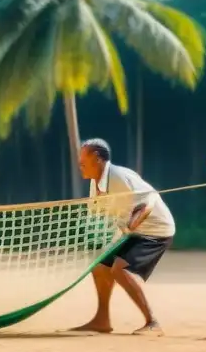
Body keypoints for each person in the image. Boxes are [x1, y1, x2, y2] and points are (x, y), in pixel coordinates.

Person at [74, 138, 175, 335]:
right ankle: (102, 320)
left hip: (156, 230)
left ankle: (152, 323)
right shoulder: (96, 183)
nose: (80, 165)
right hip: (134, 231)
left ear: (97, 158)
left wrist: (135, 220)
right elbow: (100, 214)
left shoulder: (118, 177)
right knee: (101, 266)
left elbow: (149, 201)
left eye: (83, 161)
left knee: (120, 269)